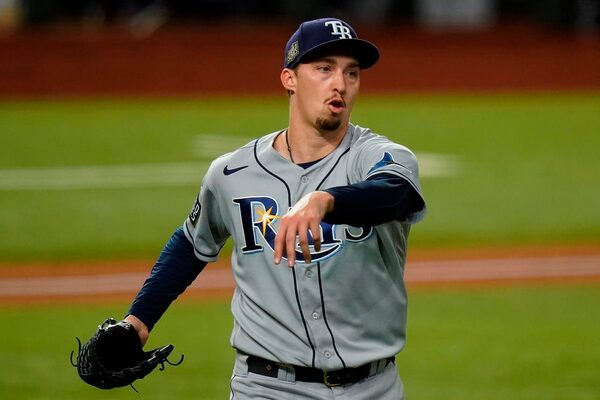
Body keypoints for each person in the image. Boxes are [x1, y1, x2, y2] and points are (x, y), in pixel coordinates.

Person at [124, 17, 426, 400]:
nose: (340, 83)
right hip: (265, 388)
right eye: (324, 69)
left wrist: (325, 200)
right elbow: (191, 243)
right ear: (289, 79)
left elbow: (395, 194)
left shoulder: (379, 157)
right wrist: (139, 319)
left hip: (372, 389)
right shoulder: (232, 173)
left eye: (351, 73)